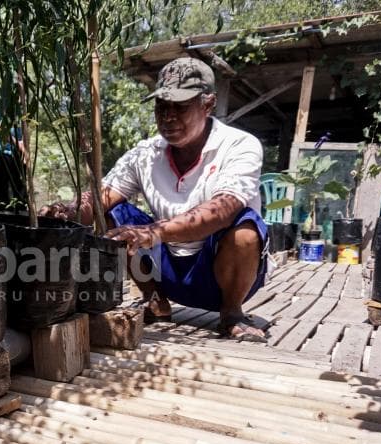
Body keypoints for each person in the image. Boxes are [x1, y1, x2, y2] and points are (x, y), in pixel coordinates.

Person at [41, 57, 269, 342]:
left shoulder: (239, 145)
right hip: (167, 266)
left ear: (208, 105)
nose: (168, 116)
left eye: (181, 107)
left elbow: (222, 210)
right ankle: (155, 299)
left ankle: (232, 312)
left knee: (245, 228)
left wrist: (154, 232)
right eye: (162, 106)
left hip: (217, 272)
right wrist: (68, 210)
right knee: (113, 216)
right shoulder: (145, 153)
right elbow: (100, 199)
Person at [0, 92, 28, 208]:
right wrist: (17, 143)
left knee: (21, 198)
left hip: (18, 154)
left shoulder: (16, 98)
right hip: (1, 154)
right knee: (2, 199)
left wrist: (24, 145)